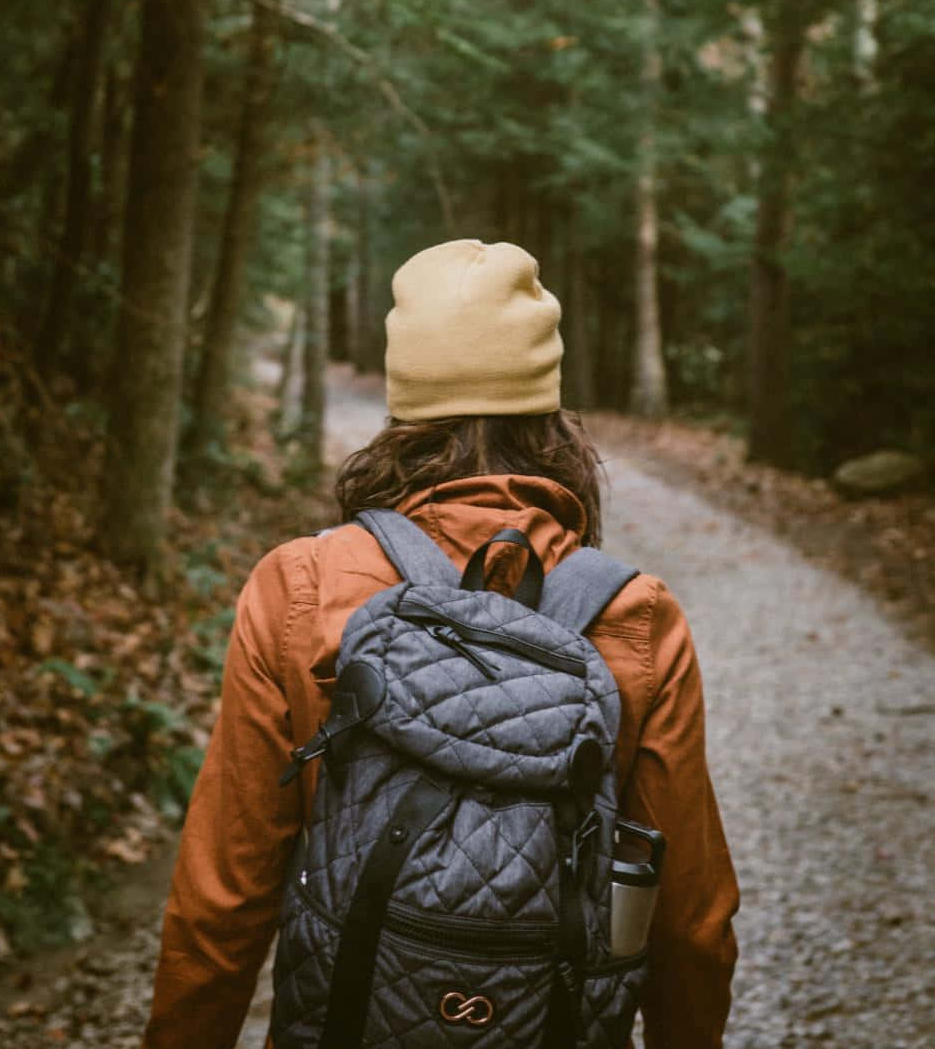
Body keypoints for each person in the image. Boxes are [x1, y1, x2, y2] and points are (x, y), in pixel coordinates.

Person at [143, 238, 739, 1049]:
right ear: (551, 416)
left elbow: (224, 896)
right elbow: (690, 922)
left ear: (402, 407)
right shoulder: (636, 613)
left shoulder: (301, 586)